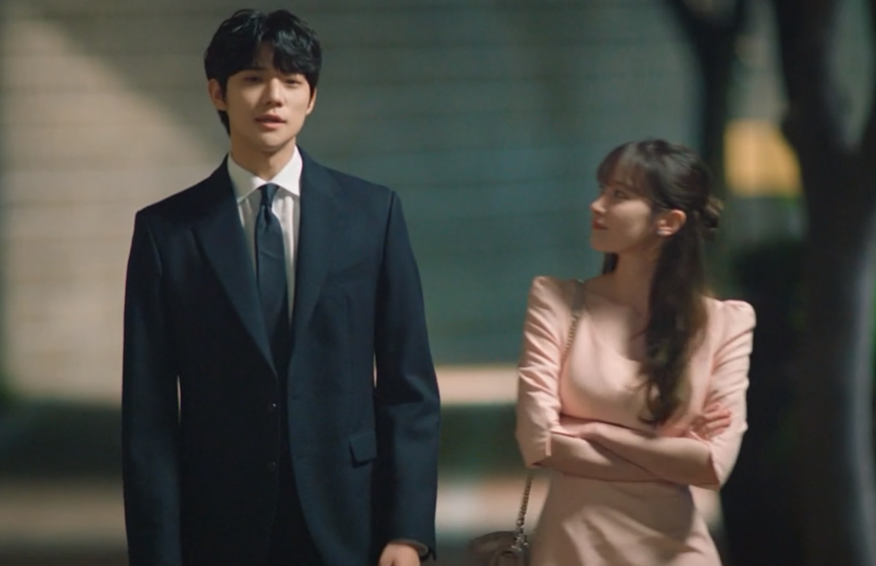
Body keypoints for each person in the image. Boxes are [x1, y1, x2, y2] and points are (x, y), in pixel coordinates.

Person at [121, 9, 440, 566]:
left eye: (291, 81)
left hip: (350, 517)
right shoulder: (167, 233)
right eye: (253, 78)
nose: (274, 97)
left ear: (311, 98)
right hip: (219, 524)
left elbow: (408, 388)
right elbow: (148, 417)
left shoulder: (372, 215)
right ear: (217, 93)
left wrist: (407, 532)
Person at [515, 139, 755, 565]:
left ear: (669, 221)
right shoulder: (557, 301)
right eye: (602, 189)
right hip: (574, 549)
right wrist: (669, 455)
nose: (597, 205)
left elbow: (711, 466)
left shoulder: (725, 323)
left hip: (676, 552)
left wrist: (593, 430)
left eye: (619, 195)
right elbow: (539, 442)